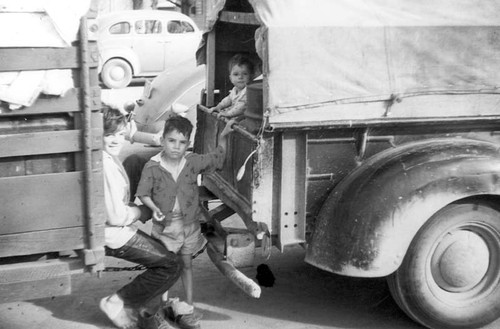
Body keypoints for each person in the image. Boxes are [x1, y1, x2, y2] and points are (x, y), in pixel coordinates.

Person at [136, 115, 230, 329]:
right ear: (162, 141)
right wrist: (153, 208)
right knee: (165, 269)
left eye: (182, 142)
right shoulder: (152, 167)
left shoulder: (192, 162)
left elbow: (217, 158)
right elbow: (143, 193)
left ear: (188, 144)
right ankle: (162, 306)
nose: (176, 147)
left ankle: (188, 306)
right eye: (171, 141)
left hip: (188, 226)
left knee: (186, 265)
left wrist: (223, 137)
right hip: (164, 229)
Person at [99, 105, 182, 329]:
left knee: (135, 160)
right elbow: (116, 217)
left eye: (118, 134)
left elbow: (131, 132)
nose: (116, 140)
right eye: (108, 135)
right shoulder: (103, 166)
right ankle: (117, 303)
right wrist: (142, 211)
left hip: (111, 224)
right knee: (171, 265)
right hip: (112, 233)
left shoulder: (104, 153)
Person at [207, 53, 255, 120]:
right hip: (234, 115)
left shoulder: (248, 90)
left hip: (244, 118)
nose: (240, 77)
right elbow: (228, 99)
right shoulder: (235, 89)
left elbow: (242, 107)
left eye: (245, 74)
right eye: (236, 74)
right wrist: (219, 106)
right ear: (230, 78)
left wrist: (228, 114)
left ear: (251, 76)